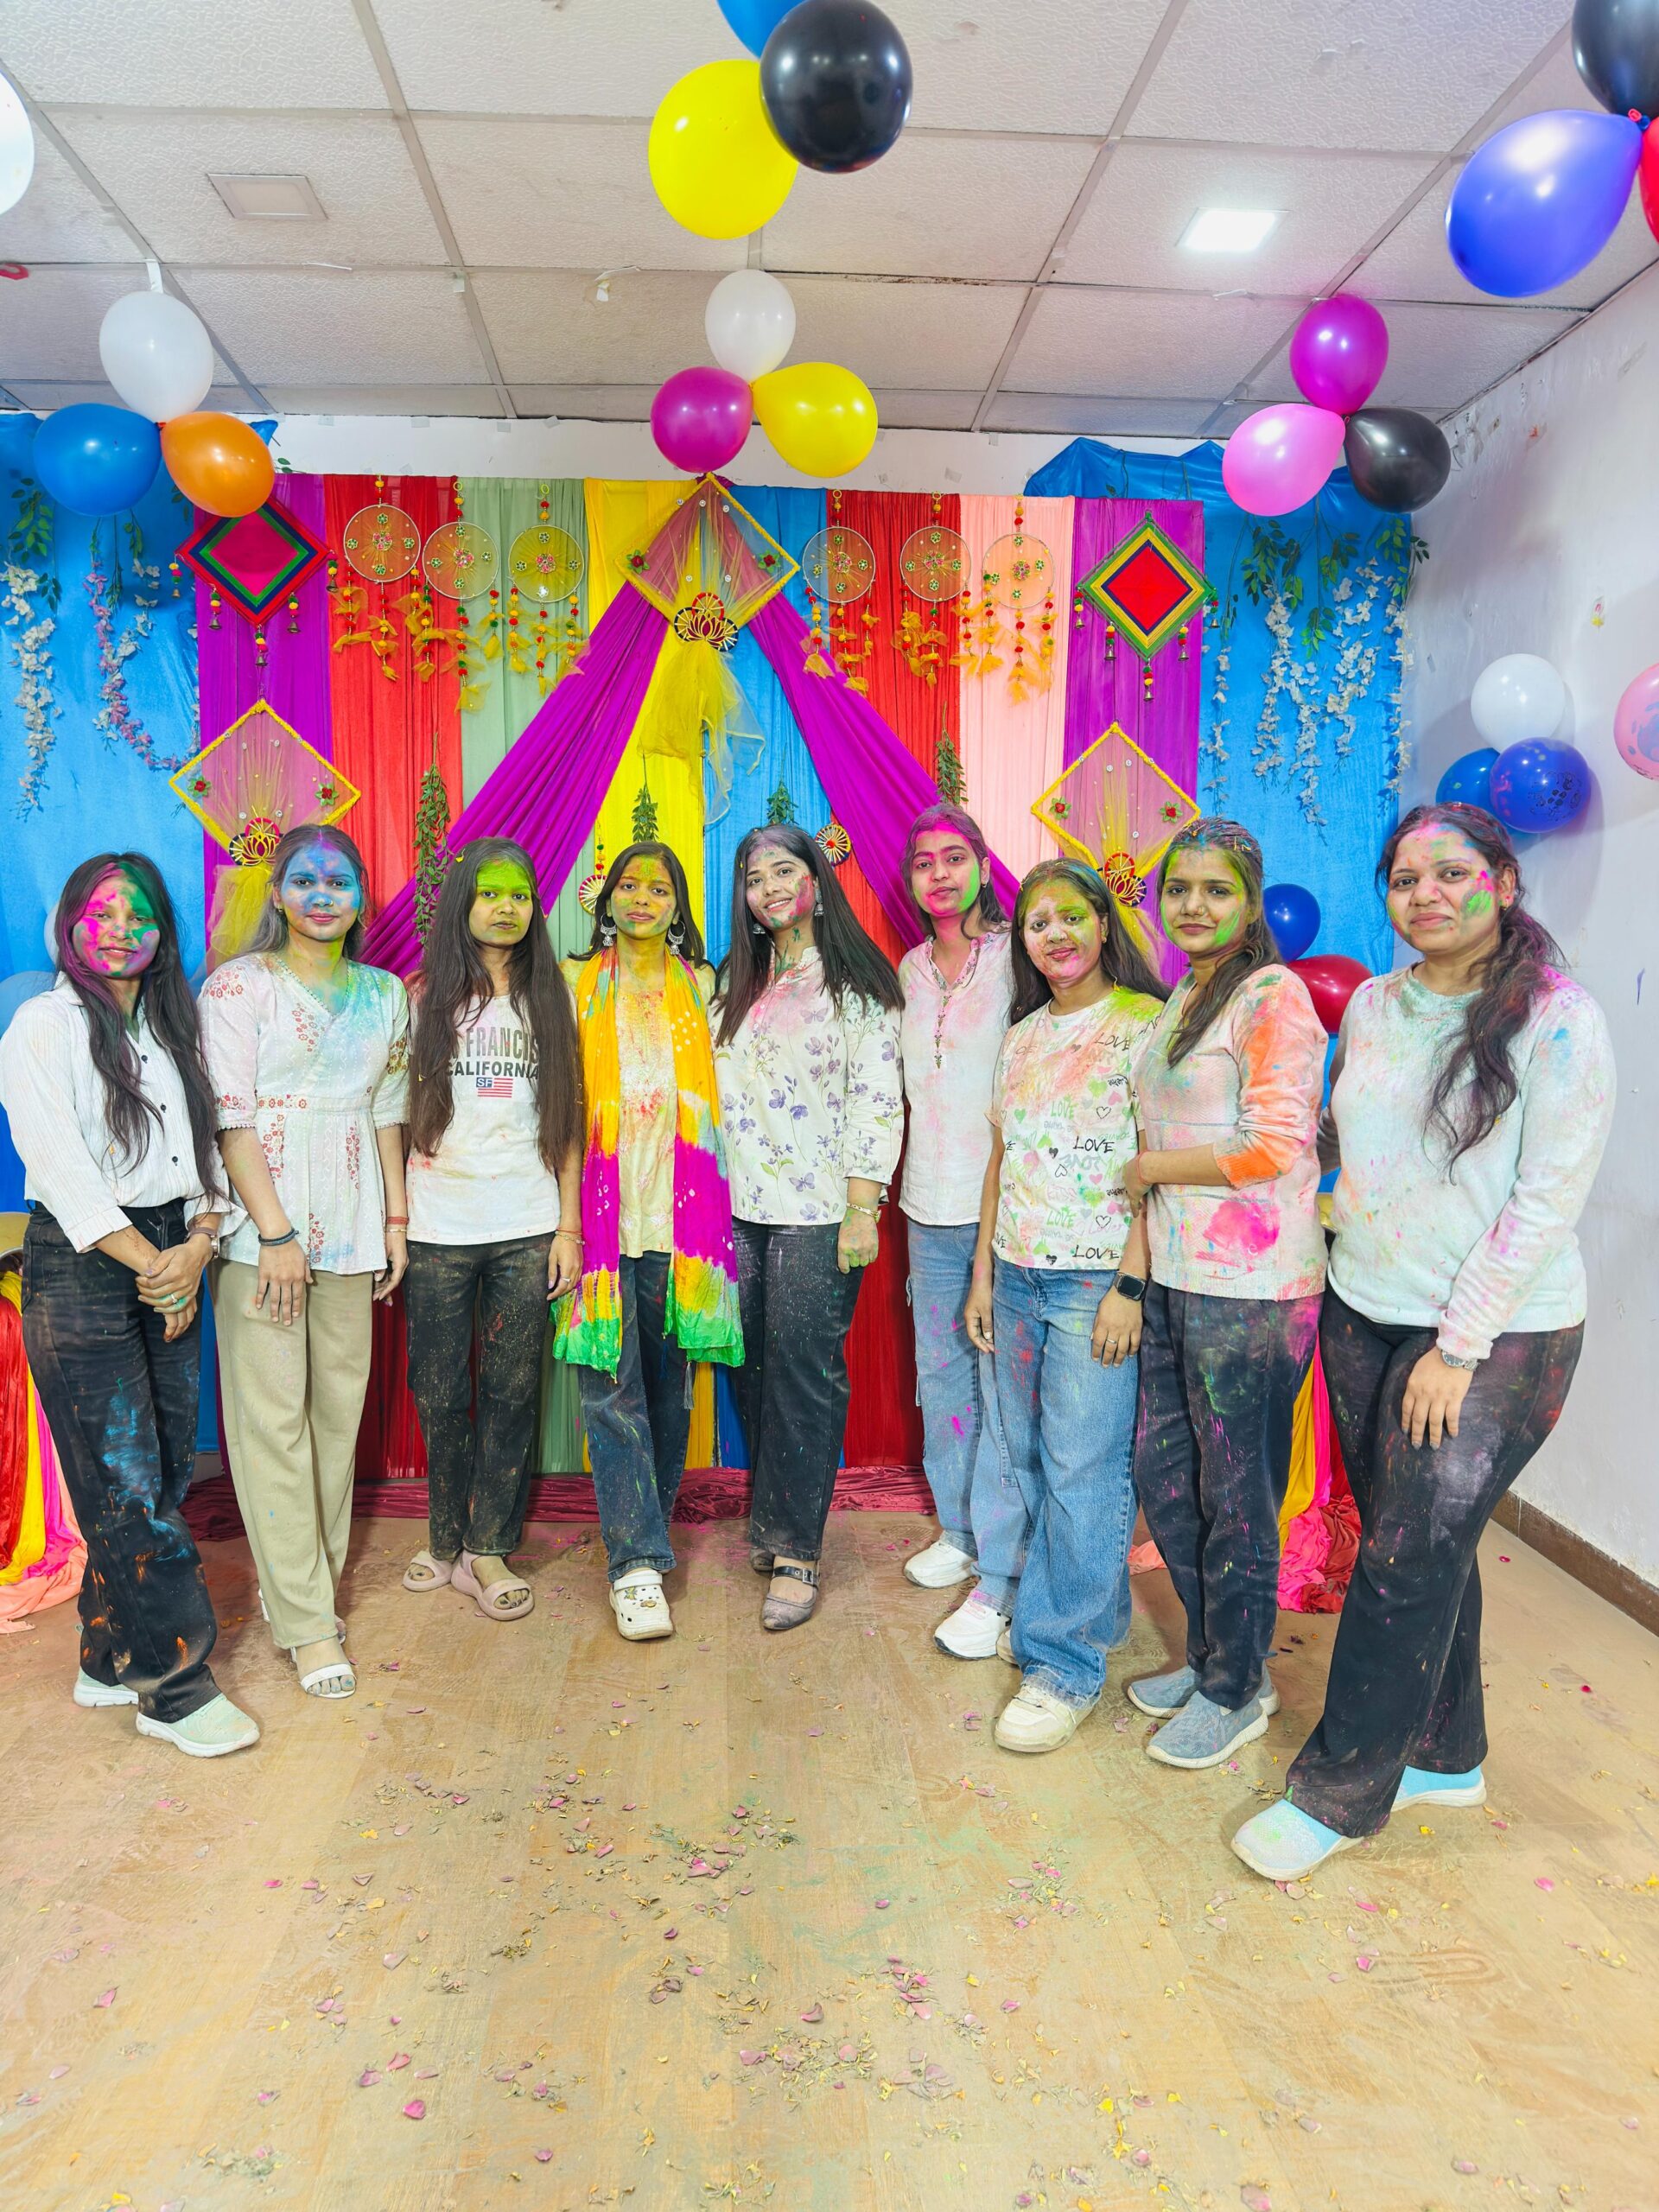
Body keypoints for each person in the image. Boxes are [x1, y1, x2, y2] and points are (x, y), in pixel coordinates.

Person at [1231, 804, 1614, 1880]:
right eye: (1405, 879)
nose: (1426, 895)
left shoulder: (1561, 1020)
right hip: (1365, 1308)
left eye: (1452, 873)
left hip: (1500, 1333)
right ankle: (1447, 1754)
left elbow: (1545, 1202)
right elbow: (1359, 1149)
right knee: (1420, 1540)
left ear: (1504, 881)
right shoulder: (1377, 1007)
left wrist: (1459, 1344)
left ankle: (1337, 1793)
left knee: (1403, 1556)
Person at [0, 853, 256, 1757]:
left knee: (166, 1472)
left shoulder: (176, 1027)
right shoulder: (42, 1025)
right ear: (69, 925)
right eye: (101, 913)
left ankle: (106, 1657)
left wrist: (198, 1245)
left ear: (162, 932)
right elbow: (62, 1170)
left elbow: (208, 1159)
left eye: (137, 914)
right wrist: (158, 1267)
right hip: (86, 1263)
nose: (119, 929)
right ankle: (174, 1690)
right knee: (126, 1486)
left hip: (173, 1247)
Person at [1123, 819, 1328, 1769]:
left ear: (1250, 902)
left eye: (1216, 890)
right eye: (1179, 889)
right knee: (1168, 1476)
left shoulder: (1272, 996)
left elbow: (1272, 1145)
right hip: (1176, 1276)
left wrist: (1149, 1169)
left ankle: (1237, 1687)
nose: (1194, 906)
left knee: (1237, 1494)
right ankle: (1214, 1655)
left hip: (1253, 1289)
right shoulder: (1187, 995)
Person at [200, 825, 409, 1701]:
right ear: (278, 893)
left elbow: (388, 1109)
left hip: (354, 1229)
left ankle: (305, 1587)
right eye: (305, 880)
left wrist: (396, 1220)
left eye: (339, 881)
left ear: (360, 897)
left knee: (334, 1418)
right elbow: (231, 1118)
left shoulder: (384, 992)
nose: (323, 895)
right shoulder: (237, 986)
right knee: (272, 1425)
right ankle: (309, 1621)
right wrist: (275, 1235)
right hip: (263, 1238)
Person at [964, 861, 1166, 1754]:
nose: (1055, 934)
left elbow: (1158, 1165)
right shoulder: (1020, 1037)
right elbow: (1001, 1163)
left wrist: (1130, 1283)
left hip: (1094, 1282)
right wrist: (982, 1273)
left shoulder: (1146, 1026)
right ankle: (1076, 1617)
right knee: (1037, 1462)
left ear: (1104, 923)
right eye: (1037, 922)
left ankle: (1064, 1664)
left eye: (1071, 916)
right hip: (1016, 1273)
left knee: (1086, 1470)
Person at [714, 823, 903, 1632]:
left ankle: (797, 1551)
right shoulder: (735, 982)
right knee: (751, 1367)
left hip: (820, 1212)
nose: (770, 888)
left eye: (784, 871)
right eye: (755, 878)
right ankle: (774, 1517)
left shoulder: (857, 982)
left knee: (803, 1373)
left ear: (817, 882)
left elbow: (876, 1100)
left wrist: (862, 1208)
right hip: (735, 1211)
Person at [554, 842, 743, 1642]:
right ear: (607, 900)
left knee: (670, 1391)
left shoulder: (703, 983)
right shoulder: (573, 980)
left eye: (658, 888)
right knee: (610, 1383)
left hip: (683, 1217)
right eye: (628, 885)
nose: (641, 898)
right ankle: (634, 1567)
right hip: (600, 1213)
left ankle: (646, 1539)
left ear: (677, 905)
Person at [402, 840, 583, 1623]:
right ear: (463, 904)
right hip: (436, 1226)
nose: (506, 907)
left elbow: (568, 1119)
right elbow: (389, 1116)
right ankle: (444, 1537)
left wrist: (568, 1227)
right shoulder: (420, 998)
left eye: (520, 895)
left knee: (511, 1392)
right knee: (441, 1391)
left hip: (527, 1226)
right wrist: (395, 1222)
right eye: (490, 893)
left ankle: (488, 1546)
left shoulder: (551, 997)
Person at [894, 804, 1027, 1660]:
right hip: (926, 1203)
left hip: (1007, 1208)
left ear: (982, 864)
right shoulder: (908, 969)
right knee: (942, 1378)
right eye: (924, 862)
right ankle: (961, 1531)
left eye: (954, 857)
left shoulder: (1020, 956)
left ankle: (1007, 1559)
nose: (939, 874)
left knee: (1002, 1389)